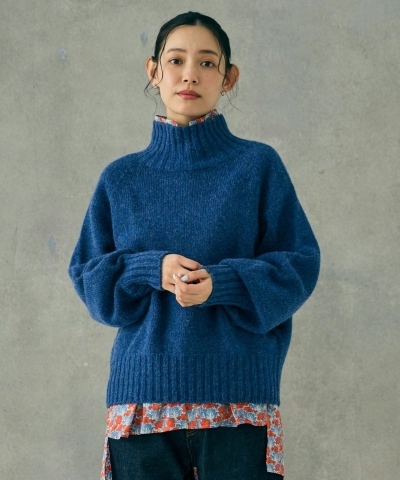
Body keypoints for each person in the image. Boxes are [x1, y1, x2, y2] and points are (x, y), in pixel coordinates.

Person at [68, 11, 320, 480]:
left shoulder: (257, 166)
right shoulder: (121, 178)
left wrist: (222, 284)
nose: (189, 74)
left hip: (238, 403)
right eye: (176, 60)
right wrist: (151, 269)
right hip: (141, 405)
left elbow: (298, 266)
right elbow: (90, 275)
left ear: (229, 77)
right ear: (153, 71)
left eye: (207, 63)